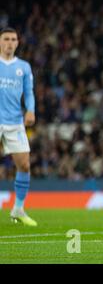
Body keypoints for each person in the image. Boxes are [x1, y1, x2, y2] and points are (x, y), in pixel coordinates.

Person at [0, 27, 37, 226]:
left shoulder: (24, 66)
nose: (10, 43)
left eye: (13, 39)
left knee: (24, 165)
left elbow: (29, 92)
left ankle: (18, 209)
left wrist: (30, 110)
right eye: (6, 39)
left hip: (15, 122)